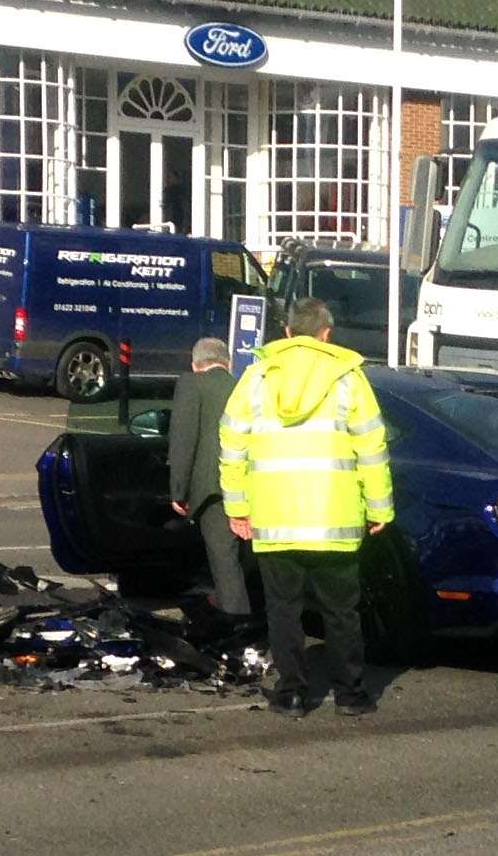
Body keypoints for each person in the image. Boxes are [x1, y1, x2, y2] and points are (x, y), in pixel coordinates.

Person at [219, 297, 394, 718]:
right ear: (326, 333)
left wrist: (237, 507)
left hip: (274, 521)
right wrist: (379, 509)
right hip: (334, 521)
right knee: (341, 613)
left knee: (283, 612)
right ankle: (350, 695)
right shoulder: (349, 379)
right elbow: (372, 447)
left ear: (286, 332)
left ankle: (292, 693)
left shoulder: (256, 377)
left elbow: (231, 445)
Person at [169, 337, 252, 618]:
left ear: (195, 365)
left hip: (213, 489)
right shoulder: (243, 387)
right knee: (249, 560)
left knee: (224, 560)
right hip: (253, 484)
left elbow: (183, 440)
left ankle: (236, 621)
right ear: (228, 363)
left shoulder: (191, 384)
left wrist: (178, 490)